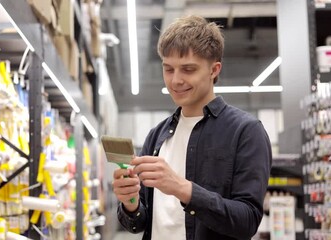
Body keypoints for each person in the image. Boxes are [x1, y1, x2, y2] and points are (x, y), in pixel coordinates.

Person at [112, 15, 272, 240]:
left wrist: (183, 188)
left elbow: (247, 221)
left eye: (188, 69)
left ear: (214, 70)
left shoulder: (246, 132)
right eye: (168, 69)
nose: (175, 80)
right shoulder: (156, 136)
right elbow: (139, 224)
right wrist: (131, 203)